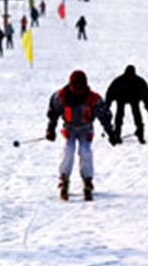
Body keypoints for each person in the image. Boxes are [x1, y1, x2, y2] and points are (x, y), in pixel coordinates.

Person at [45, 70, 116, 201]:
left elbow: (104, 116)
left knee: (85, 151)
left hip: (86, 128)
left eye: (81, 85)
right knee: (68, 149)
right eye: (75, 85)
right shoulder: (61, 96)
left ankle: (87, 179)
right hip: (69, 128)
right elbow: (53, 113)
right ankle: (64, 178)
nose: (78, 88)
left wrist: (111, 133)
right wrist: (50, 129)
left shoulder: (93, 98)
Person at [106, 65, 148, 144]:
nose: (130, 77)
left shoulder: (136, 81)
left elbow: (146, 94)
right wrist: (108, 104)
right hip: (123, 98)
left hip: (132, 99)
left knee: (134, 114)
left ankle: (139, 132)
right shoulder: (123, 81)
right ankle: (118, 134)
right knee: (121, 115)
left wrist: (147, 105)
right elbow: (110, 92)